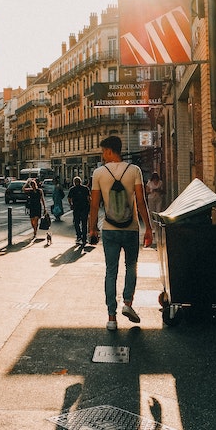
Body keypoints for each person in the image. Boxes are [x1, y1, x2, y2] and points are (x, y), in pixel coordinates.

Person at [88, 135, 152, 331]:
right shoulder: (134, 170)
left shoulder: (99, 173)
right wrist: (148, 227)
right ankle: (128, 303)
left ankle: (111, 318)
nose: (102, 155)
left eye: (103, 151)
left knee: (111, 271)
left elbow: (94, 205)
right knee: (131, 266)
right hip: (131, 228)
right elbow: (141, 202)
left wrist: (92, 228)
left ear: (109, 151)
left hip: (109, 229)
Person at [67, 176, 91, 246]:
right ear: (80, 181)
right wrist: (90, 206)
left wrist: (71, 204)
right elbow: (89, 198)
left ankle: (78, 235)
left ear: (74, 182)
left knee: (76, 222)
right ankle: (84, 238)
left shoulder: (72, 189)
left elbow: (69, 198)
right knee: (84, 223)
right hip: (84, 207)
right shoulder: (85, 188)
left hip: (76, 208)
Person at [23, 178, 49, 243]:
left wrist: (45, 207)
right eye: (32, 185)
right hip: (32, 207)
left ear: (36, 184)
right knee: (32, 220)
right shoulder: (30, 191)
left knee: (36, 219)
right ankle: (34, 229)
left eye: (34, 184)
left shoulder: (39, 191)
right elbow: (23, 189)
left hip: (37, 206)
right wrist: (27, 183)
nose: (33, 186)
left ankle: (35, 232)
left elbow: (42, 199)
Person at [145, 172, 165, 245]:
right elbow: (147, 190)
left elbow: (163, 190)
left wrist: (159, 190)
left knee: (158, 211)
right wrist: (151, 191)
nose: (156, 180)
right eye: (155, 179)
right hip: (151, 198)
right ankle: (153, 226)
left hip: (158, 198)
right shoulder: (149, 183)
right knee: (151, 211)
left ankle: (157, 224)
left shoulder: (160, 183)